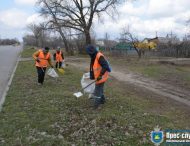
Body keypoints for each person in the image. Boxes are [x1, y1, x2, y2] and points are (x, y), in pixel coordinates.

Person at [86, 45, 111, 109]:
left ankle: (96, 106)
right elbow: (94, 67)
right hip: (99, 76)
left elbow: (105, 66)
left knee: (97, 92)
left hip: (101, 77)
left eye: (89, 53)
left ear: (91, 52)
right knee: (100, 89)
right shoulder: (94, 56)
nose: (88, 54)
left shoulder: (99, 56)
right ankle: (102, 101)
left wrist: (100, 75)